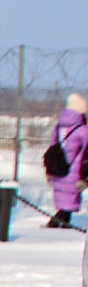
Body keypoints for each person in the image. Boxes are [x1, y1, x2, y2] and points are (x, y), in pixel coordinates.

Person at [43, 94, 85, 226]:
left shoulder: (58, 127)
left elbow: (52, 145)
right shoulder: (83, 130)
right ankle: (54, 225)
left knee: (64, 202)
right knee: (68, 203)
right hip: (73, 171)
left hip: (57, 168)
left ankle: (63, 226)